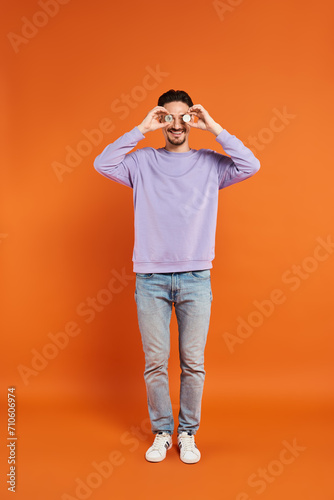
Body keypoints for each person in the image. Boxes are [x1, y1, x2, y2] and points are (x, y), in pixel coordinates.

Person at [94, 89, 260, 464]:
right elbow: (103, 164)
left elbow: (251, 165)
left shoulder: (210, 164)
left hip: (196, 278)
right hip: (150, 278)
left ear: (192, 120)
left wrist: (214, 127)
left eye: (183, 116)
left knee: (192, 362)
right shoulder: (143, 162)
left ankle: (188, 433)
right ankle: (162, 432)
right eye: (168, 117)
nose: (176, 124)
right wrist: (140, 129)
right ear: (161, 121)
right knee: (155, 362)